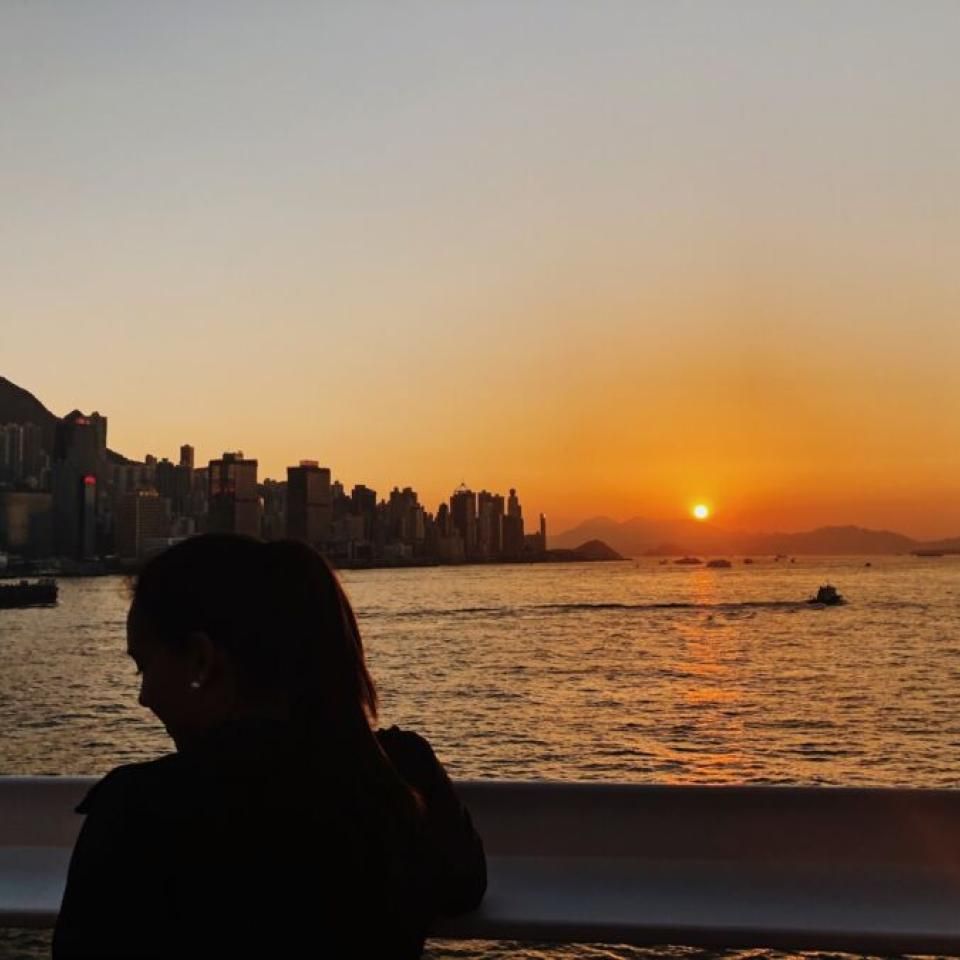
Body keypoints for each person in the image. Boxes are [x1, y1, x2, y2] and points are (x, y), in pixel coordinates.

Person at [53, 534, 486, 959]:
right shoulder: (400, 777)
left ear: (201, 661)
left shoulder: (136, 813)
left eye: (143, 667)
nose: (144, 697)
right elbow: (464, 885)